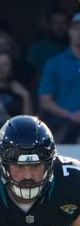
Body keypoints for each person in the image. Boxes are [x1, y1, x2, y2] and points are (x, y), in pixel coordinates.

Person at [37, 12, 80, 143]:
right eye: (76, 28)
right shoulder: (54, 63)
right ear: (69, 31)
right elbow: (45, 100)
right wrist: (71, 116)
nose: (79, 33)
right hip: (62, 128)